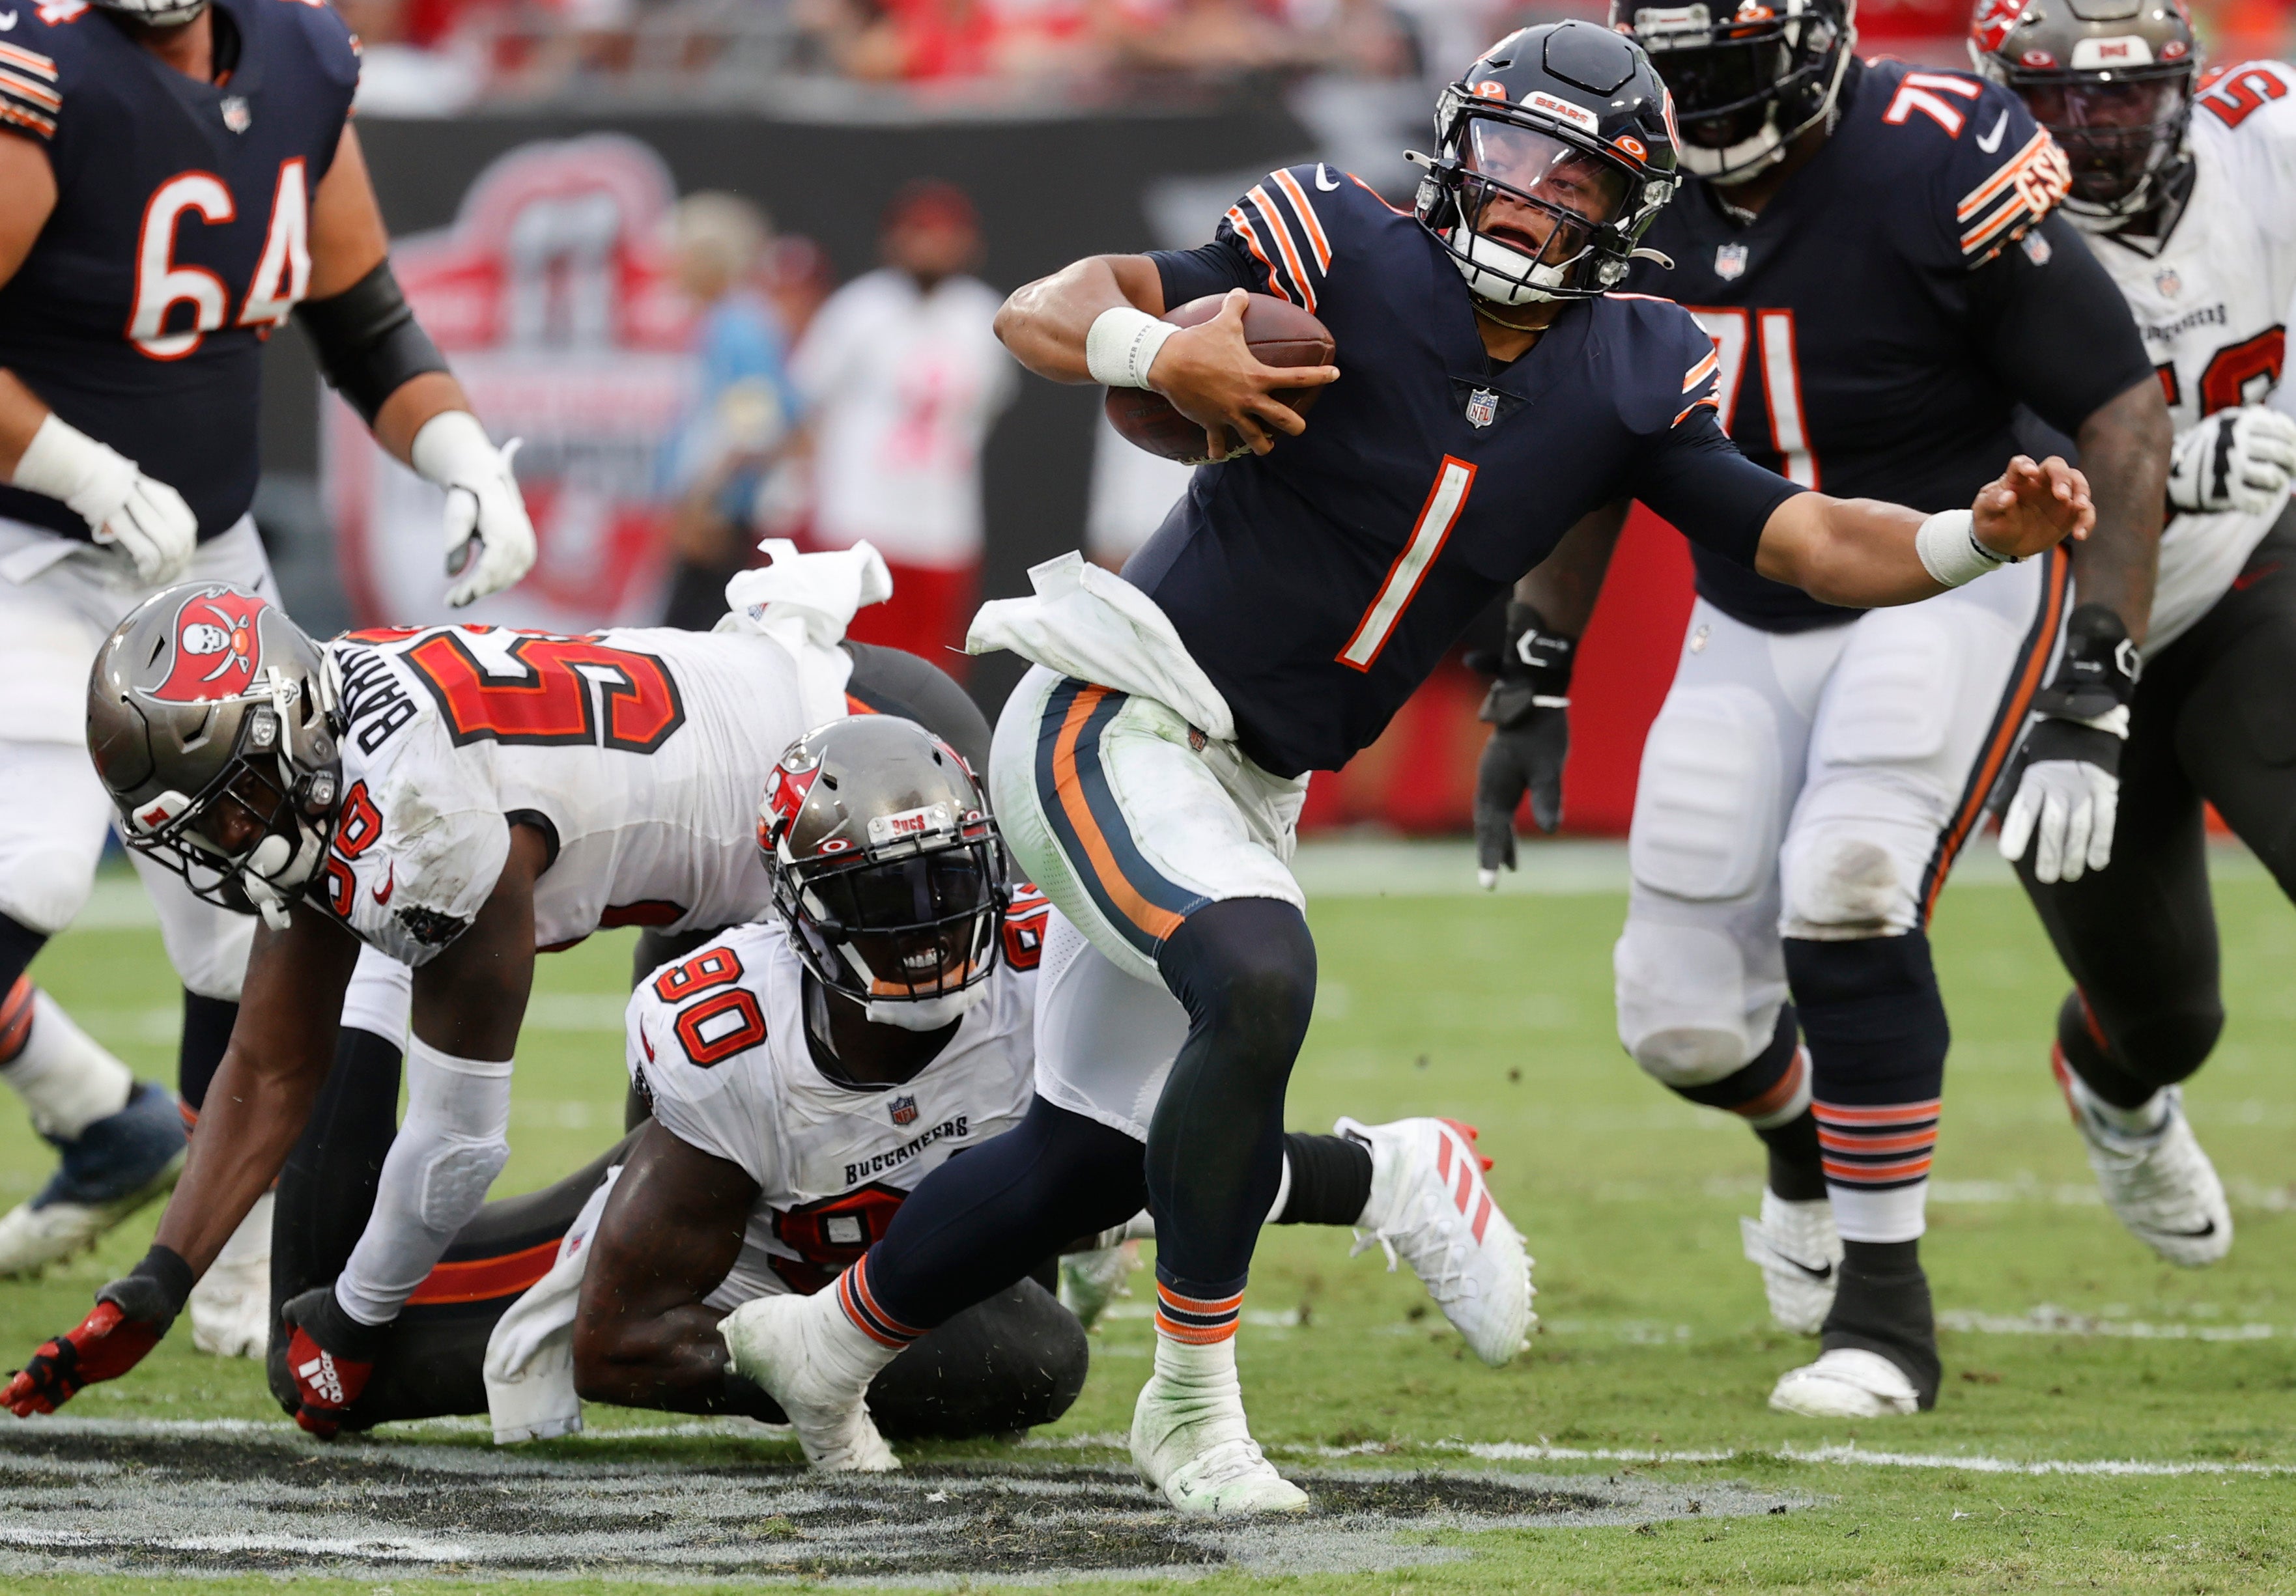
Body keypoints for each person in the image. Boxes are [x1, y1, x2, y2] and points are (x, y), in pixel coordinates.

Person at [707, 20, 2096, 1516]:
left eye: (1571, 180)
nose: (1525, 196)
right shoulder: (1339, 246)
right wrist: (1161, 350)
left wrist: (1970, 538)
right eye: (1506, 155)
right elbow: (1045, 307)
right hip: (1116, 705)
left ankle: (826, 1345)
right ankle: (1192, 1404)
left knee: (1087, 1154)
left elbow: (1805, 538)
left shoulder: (1631, 366)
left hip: (1248, 775)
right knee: (1257, 974)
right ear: (1451, 147)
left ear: (1628, 210)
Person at [1468, 1, 2172, 1422]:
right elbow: (1600, 433)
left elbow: (2119, 409)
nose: (1704, 103)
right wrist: (1536, 659)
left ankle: (1885, 1314)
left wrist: (2097, 669)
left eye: (1728, 69)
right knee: (1677, 1021)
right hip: (1747, 606)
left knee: (1851, 880)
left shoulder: (1937, 149)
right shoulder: (1627, 177)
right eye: (1680, 74)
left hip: (1952, 568)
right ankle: (1806, 1144)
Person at [254, 716, 1518, 1447]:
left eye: (942, 884)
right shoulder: (734, 1032)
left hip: (934, 1238)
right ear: (797, 911)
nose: (920, 932)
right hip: (747, 1247)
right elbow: (624, 1344)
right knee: (319, 1363)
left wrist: (1358, 1175)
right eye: (879, 898)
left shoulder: (1040, 959)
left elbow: (1186, 1143)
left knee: (1047, 1324)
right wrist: (800, 1371)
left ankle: (1380, 1174)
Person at [0, 549, 979, 1432]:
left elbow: (458, 1143)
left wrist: (357, 1316)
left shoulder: (431, 822)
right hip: (754, 842)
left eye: (230, 809)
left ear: (287, 736)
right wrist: (158, 1282)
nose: (222, 844)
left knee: (678, 1237)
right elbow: (269, 1065)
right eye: (196, 827)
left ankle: (921, 1286)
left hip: (864, 798)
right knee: (642, 1211)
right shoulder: (326, 735)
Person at [0, 0, 537, 1347]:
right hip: (24, 548)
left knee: (253, 916)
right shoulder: (39, 66)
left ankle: (222, 1257)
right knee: (33, 868)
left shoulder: (300, 52)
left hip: (203, 561)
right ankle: (93, 1113)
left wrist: (463, 454)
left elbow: (361, 315)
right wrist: (77, 468)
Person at [1972, 2, 2296, 1267]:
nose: (2097, 131)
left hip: (2235, 587)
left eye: (2126, 96)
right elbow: (1919, 449)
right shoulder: (1943, 206)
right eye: (2061, 102)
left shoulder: (2264, 140)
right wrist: (2154, 472)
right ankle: (2113, 1091)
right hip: (2036, 646)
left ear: (2188, 86)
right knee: (2164, 1020)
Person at [791, 180, 1015, 669]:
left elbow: (987, 406)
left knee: (933, 669)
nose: (931, 247)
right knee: (850, 664)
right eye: (919, 233)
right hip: (858, 516)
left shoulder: (984, 316)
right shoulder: (859, 309)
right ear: (893, 240)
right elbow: (807, 404)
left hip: (943, 522)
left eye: (945, 235)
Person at [658, 193, 802, 633]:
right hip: (711, 508)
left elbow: (753, 432)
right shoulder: (724, 322)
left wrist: (707, 505)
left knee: (703, 633)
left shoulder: (739, 328)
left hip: (721, 515)